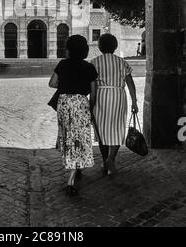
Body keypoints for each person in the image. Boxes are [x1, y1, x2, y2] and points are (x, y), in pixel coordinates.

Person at [49, 35, 98, 195]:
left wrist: (65, 83)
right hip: (81, 103)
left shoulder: (62, 64)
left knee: (67, 135)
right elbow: (93, 92)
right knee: (81, 136)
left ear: (68, 49)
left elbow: (52, 83)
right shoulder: (89, 67)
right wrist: (90, 108)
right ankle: (74, 172)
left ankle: (73, 169)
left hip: (64, 103)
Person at [91, 33, 138, 177]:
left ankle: (106, 161)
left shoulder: (94, 62)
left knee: (102, 130)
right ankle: (111, 159)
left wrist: (90, 102)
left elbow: (90, 84)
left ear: (99, 47)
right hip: (118, 96)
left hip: (100, 96)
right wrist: (134, 101)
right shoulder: (121, 62)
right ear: (115, 47)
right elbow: (130, 82)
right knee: (117, 129)